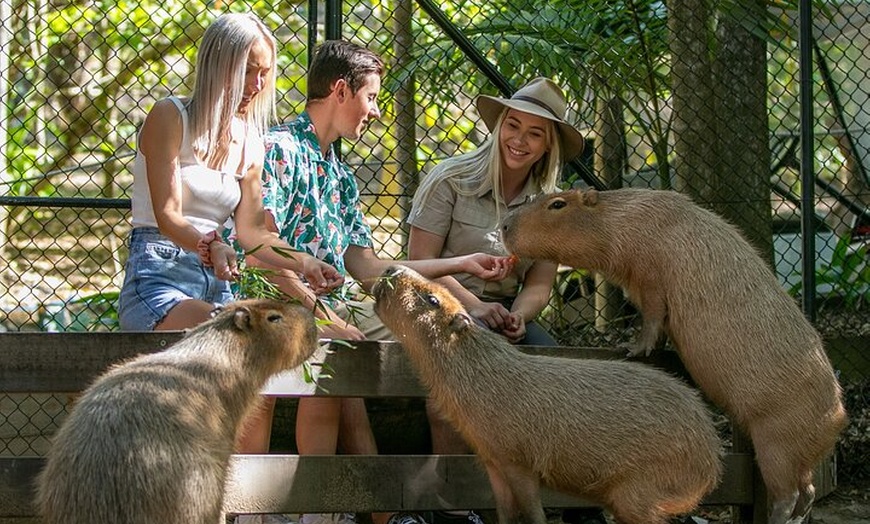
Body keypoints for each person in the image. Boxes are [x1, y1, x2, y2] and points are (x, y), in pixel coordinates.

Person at [235, 40, 513, 524]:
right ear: (341, 91)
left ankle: (451, 502)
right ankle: (335, 510)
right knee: (341, 354)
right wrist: (324, 314)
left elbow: (366, 268)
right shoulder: (275, 151)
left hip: (342, 301)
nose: (377, 112)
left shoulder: (341, 176)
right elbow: (259, 255)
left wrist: (460, 264)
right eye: (372, 98)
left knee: (444, 335)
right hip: (283, 298)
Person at [407, 77, 607, 524]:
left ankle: (572, 505)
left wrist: (519, 315)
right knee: (459, 368)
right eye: (513, 126)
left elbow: (538, 284)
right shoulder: (451, 179)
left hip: (503, 312)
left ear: (547, 146)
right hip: (442, 302)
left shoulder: (550, 205)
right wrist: (473, 307)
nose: (520, 140)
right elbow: (418, 264)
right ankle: (455, 506)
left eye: (535, 133)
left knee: (558, 370)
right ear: (498, 127)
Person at [117, 16, 342, 371]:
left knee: (257, 345)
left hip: (219, 284)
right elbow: (168, 216)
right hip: (161, 273)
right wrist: (213, 244)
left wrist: (305, 263)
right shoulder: (170, 115)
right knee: (239, 337)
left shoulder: (251, 139)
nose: (258, 83)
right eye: (249, 71)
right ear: (219, 65)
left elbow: (254, 234)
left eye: (265, 72)